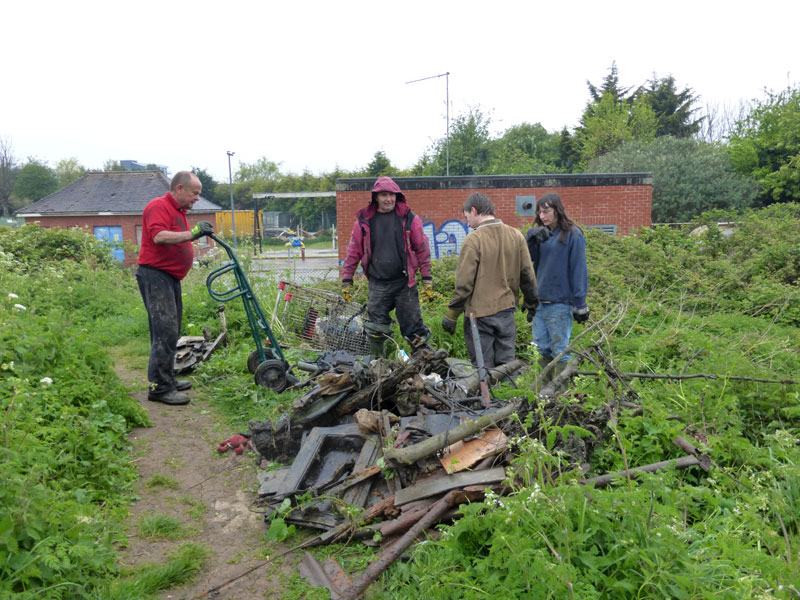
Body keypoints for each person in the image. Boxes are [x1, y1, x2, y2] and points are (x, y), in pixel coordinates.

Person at [137, 171, 214, 405]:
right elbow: (159, 236)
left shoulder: (178, 211)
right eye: (194, 193)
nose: (197, 198)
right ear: (179, 189)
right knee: (164, 330)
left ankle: (167, 379)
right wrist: (193, 234)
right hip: (155, 275)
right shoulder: (158, 205)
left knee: (172, 329)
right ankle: (159, 388)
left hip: (169, 277)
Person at [441, 193, 538, 368]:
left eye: (467, 217)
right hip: (507, 312)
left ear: (474, 210)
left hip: (479, 316)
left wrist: (451, 315)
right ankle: (509, 395)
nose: (468, 223)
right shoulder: (516, 236)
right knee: (506, 367)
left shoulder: (474, 239)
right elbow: (528, 275)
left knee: (483, 369)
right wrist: (532, 304)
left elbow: (464, 285)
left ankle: (487, 396)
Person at [341, 176, 433, 357]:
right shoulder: (364, 220)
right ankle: (378, 366)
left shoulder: (408, 218)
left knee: (414, 330)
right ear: (376, 197)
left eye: (392, 194)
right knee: (375, 328)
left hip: (404, 284)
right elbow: (353, 251)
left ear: (397, 196)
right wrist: (347, 279)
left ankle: (423, 365)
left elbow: (422, 248)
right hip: (378, 284)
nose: (388, 199)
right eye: (384, 195)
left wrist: (427, 279)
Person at [525, 192, 589, 387]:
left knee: (560, 350)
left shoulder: (573, 235)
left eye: (546, 212)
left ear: (557, 211)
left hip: (560, 303)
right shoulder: (540, 234)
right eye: (540, 212)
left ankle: (560, 393)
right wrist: (531, 239)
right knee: (541, 349)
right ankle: (542, 394)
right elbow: (528, 262)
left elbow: (579, 270)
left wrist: (580, 303)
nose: (543, 216)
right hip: (540, 302)